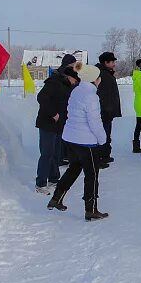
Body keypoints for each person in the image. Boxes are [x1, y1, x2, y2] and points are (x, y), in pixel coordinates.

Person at [47, 63, 109, 221]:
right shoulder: (91, 96)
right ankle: (91, 210)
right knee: (92, 175)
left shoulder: (76, 91)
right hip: (86, 142)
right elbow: (94, 122)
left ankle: (56, 199)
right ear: (94, 80)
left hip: (71, 138)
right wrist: (103, 139)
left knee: (73, 169)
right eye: (98, 77)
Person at [34, 62, 79, 195]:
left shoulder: (66, 86)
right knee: (47, 154)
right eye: (74, 80)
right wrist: (53, 113)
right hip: (47, 124)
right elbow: (41, 98)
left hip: (59, 126)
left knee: (56, 154)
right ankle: (40, 183)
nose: (75, 83)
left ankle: (54, 179)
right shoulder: (53, 83)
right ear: (69, 77)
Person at [96, 51, 121, 167]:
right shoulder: (102, 75)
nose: (114, 64)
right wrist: (107, 109)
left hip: (108, 111)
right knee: (102, 135)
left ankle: (105, 155)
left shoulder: (107, 74)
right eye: (112, 62)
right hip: (104, 111)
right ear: (106, 62)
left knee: (106, 134)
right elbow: (103, 95)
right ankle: (99, 158)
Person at [57, 54, 78, 166]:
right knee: (63, 133)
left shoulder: (62, 72)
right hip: (63, 107)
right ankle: (62, 156)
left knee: (64, 133)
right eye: (73, 64)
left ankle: (64, 155)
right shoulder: (64, 74)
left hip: (66, 106)